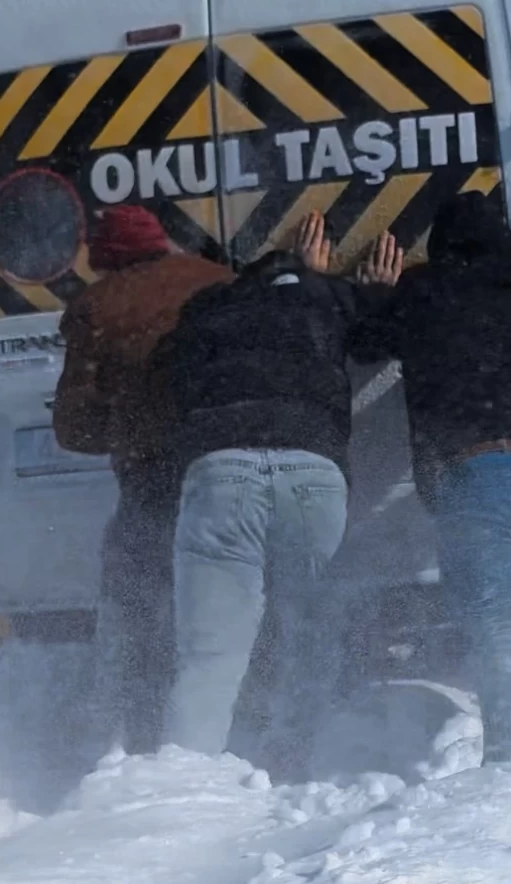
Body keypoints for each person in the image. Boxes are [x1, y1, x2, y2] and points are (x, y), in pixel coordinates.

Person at [351, 190, 511, 769]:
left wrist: (375, 290)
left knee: (506, 641)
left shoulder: (424, 290)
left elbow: (363, 341)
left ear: (441, 246)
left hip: (488, 480)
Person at [154, 214, 400, 757]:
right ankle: (305, 760)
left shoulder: (207, 308)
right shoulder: (330, 299)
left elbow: (170, 379)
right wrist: (375, 292)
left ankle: (185, 784)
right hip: (312, 470)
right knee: (313, 635)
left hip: (221, 470)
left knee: (210, 656)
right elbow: (379, 340)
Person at [53, 205, 232, 754]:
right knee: (233, 605)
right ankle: (242, 730)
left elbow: (73, 426)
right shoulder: (222, 282)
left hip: (152, 479)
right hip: (229, 467)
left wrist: (131, 423)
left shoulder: (97, 307)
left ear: (106, 256)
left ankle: (147, 741)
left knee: (143, 613)